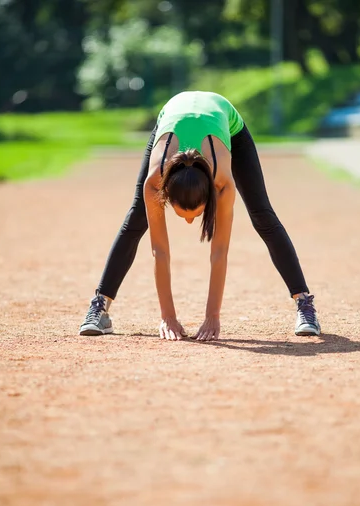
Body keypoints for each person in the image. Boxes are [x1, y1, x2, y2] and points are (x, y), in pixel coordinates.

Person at [79, 91, 320, 341]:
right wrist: (167, 317)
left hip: (225, 123)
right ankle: (99, 306)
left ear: (211, 195)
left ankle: (305, 304)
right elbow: (159, 252)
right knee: (135, 219)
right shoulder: (155, 182)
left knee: (262, 215)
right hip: (172, 119)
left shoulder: (223, 183)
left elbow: (219, 252)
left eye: (197, 213)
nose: (190, 222)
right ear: (166, 195)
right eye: (182, 214)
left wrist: (212, 316)